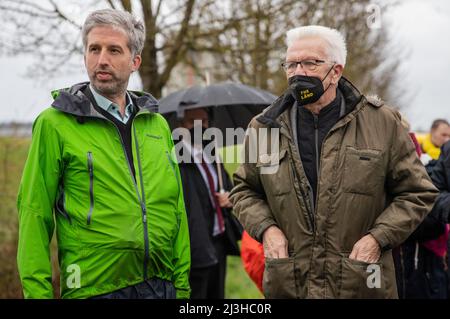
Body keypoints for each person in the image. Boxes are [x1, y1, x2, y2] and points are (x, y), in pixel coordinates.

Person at [230, 25, 438, 298]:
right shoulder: (264, 127)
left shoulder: (382, 122)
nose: (298, 72)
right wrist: (266, 229)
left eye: (310, 63)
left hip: (359, 281)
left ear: (336, 71)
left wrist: (378, 238)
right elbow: (244, 190)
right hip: (291, 283)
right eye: (291, 64)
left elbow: (417, 192)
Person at [16, 9, 190, 299]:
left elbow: (177, 210)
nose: (102, 60)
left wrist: (181, 286)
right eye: (94, 49)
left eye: (113, 50)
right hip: (94, 288)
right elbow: (34, 215)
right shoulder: (54, 124)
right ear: (85, 55)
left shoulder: (157, 125)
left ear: (135, 61)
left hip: (161, 286)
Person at [175, 107, 242, 299]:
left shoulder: (211, 155)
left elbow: (232, 189)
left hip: (218, 241)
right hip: (194, 245)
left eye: (203, 121)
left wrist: (230, 197)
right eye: (192, 121)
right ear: (181, 125)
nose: (199, 126)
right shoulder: (175, 159)